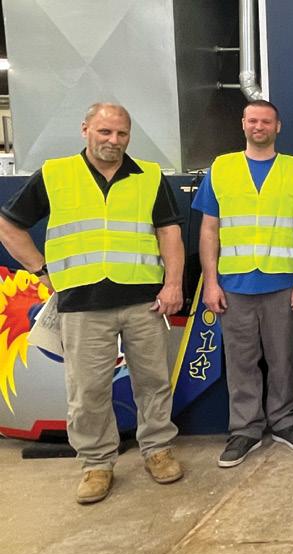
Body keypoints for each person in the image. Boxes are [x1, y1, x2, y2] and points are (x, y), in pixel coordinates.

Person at [0, 102, 184, 503]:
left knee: (153, 382)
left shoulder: (149, 175)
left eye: (121, 133)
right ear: (85, 130)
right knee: (87, 391)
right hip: (82, 303)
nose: (113, 140)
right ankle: (97, 464)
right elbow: (8, 225)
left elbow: (169, 233)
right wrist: (40, 269)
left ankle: (158, 450)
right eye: (105, 132)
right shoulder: (55, 173)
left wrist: (173, 284)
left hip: (143, 301)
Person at [194, 100, 293, 467]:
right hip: (234, 285)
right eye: (253, 120)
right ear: (243, 124)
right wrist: (210, 284)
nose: (259, 126)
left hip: (283, 283)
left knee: (284, 359)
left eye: (266, 121)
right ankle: (245, 429)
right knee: (240, 362)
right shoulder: (221, 168)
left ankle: (286, 421)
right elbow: (209, 230)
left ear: (278, 127)